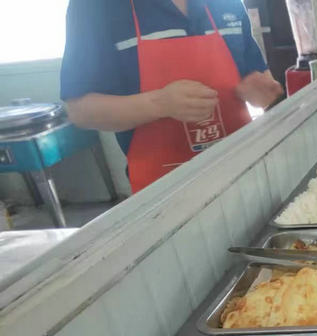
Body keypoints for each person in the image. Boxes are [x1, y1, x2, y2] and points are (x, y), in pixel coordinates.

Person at [60, 0, 284, 192]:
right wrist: (160, 103)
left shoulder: (228, 4)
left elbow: (261, 80)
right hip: (163, 190)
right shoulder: (94, 7)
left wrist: (266, 95)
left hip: (242, 174)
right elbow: (80, 110)